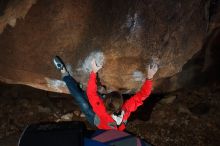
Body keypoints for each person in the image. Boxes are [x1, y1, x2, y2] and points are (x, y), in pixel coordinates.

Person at [53, 56, 158, 131]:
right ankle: (81, 87)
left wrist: (94, 72)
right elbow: (142, 96)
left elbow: (91, 93)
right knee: (92, 97)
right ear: (121, 105)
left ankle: (64, 74)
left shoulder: (101, 108)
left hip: (96, 120)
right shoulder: (126, 110)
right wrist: (150, 77)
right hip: (107, 123)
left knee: (83, 102)